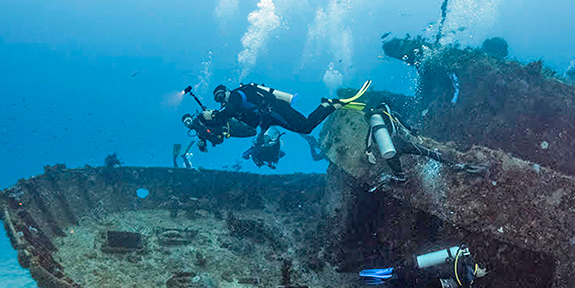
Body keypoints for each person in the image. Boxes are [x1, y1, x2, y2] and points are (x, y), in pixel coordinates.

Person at [364, 104, 486, 189]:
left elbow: (369, 138)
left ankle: (398, 179)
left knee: (399, 174)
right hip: (401, 144)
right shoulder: (391, 114)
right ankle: (455, 165)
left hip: (389, 151)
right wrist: (414, 134)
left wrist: (369, 152)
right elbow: (407, 126)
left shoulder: (374, 123)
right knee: (428, 153)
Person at [201, 80, 370, 138]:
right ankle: (326, 105)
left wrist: (213, 114)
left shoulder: (237, 95)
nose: (220, 100)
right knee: (305, 128)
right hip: (273, 116)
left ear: (228, 92)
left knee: (305, 127)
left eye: (221, 95)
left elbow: (227, 112)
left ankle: (327, 105)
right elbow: (251, 122)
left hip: (276, 109)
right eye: (217, 99)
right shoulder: (233, 107)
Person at [359, 245, 492, 288]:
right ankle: (385, 278)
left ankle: (389, 274)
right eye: (484, 273)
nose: (482, 276)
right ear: (482, 269)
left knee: (406, 277)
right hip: (436, 282)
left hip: (431, 273)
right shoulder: (469, 271)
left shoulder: (464, 262)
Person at [182, 112, 256, 152]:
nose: (188, 124)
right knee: (252, 132)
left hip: (230, 125)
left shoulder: (200, 120)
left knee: (251, 129)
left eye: (188, 121)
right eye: (186, 123)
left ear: (192, 118)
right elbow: (204, 141)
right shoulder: (198, 131)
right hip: (228, 132)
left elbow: (216, 116)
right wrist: (202, 147)